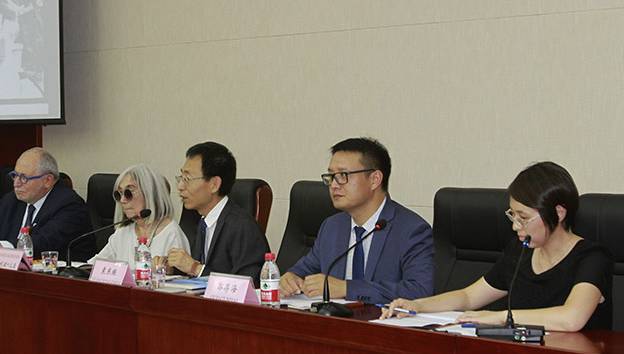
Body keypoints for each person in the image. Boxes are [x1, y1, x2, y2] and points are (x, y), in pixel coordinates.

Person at [380, 161, 614, 332]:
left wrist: (501, 317)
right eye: (513, 216)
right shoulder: (520, 249)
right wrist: (416, 305)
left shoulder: (592, 257)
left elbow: (571, 319)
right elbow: (469, 297)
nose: (516, 226)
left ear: (559, 213)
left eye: (523, 217)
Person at [280, 137, 434, 304]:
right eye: (331, 176)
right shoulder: (332, 227)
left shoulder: (411, 230)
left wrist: (347, 288)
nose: (334, 185)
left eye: (343, 175)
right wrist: (291, 278)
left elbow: (420, 291)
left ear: (375, 179)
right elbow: (304, 269)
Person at [0, 147, 95, 261]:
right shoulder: (12, 200)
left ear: (47, 181)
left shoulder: (69, 205)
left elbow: (43, 242)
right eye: (15, 175)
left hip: (58, 281)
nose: (16, 184)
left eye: (24, 178)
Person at [163, 141, 269, 285]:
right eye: (180, 178)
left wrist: (195, 268)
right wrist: (173, 269)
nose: (180, 186)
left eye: (187, 179)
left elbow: (247, 285)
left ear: (214, 185)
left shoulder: (243, 227)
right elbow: (205, 272)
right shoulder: (203, 221)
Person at [89, 163, 190, 270]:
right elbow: (94, 265)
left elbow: (179, 281)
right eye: (119, 194)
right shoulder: (123, 231)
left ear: (150, 194)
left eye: (128, 193)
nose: (122, 200)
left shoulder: (171, 234)